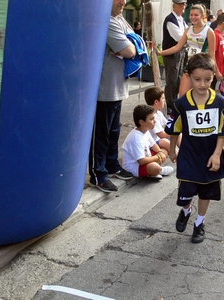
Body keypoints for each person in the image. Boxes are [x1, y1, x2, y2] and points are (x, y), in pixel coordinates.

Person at [165, 52, 224, 243]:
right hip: (188, 155)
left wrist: (217, 154)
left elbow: (223, 131)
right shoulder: (181, 104)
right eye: (197, 79)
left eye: (207, 80)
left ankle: (199, 223)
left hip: (211, 156)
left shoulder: (220, 102)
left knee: (206, 191)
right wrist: (171, 150)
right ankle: (186, 210)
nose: (202, 84)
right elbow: (174, 129)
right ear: (188, 77)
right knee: (185, 194)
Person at [89, 0, 135, 193]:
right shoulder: (107, 20)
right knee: (101, 134)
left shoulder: (120, 20)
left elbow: (136, 43)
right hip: (105, 88)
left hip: (118, 86)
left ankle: (112, 165)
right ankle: (98, 175)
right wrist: (128, 46)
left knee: (113, 131)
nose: (123, 1)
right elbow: (131, 50)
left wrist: (129, 45)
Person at [158, 4, 221, 97]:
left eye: (196, 15)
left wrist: (217, 71)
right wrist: (160, 53)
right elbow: (177, 47)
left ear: (202, 16)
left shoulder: (209, 31)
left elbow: (212, 54)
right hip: (190, 65)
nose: (193, 17)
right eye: (191, 15)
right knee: (183, 95)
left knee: (199, 95)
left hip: (203, 67)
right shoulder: (188, 30)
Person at [121, 105, 174, 180]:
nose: (154, 121)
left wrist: (160, 152)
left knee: (164, 151)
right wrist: (158, 157)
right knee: (154, 167)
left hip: (146, 158)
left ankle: (152, 172)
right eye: (151, 119)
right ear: (142, 122)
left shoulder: (145, 131)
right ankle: (159, 170)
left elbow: (153, 144)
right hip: (135, 167)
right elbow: (141, 161)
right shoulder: (136, 138)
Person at [162, 0, 188, 113]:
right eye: (180, 4)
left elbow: (187, 35)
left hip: (180, 52)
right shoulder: (170, 20)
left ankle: (175, 102)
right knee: (172, 80)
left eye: (183, 4)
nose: (182, 7)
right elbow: (179, 37)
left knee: (178, 79)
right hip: (171, 53)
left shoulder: (182, 20)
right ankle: (170, 105)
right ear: (174, 6)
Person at [144, 86, 180, 153]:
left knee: (179, 134)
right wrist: (175, 131)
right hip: (153, 143)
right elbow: (162, 135)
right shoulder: (152, 117)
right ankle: (179, 156)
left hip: (160, 140)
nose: (164, 101)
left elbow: (168, 124)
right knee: (166, 141)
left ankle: (185, 152)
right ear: (156, 102)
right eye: (163, 99)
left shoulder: (158, 113)